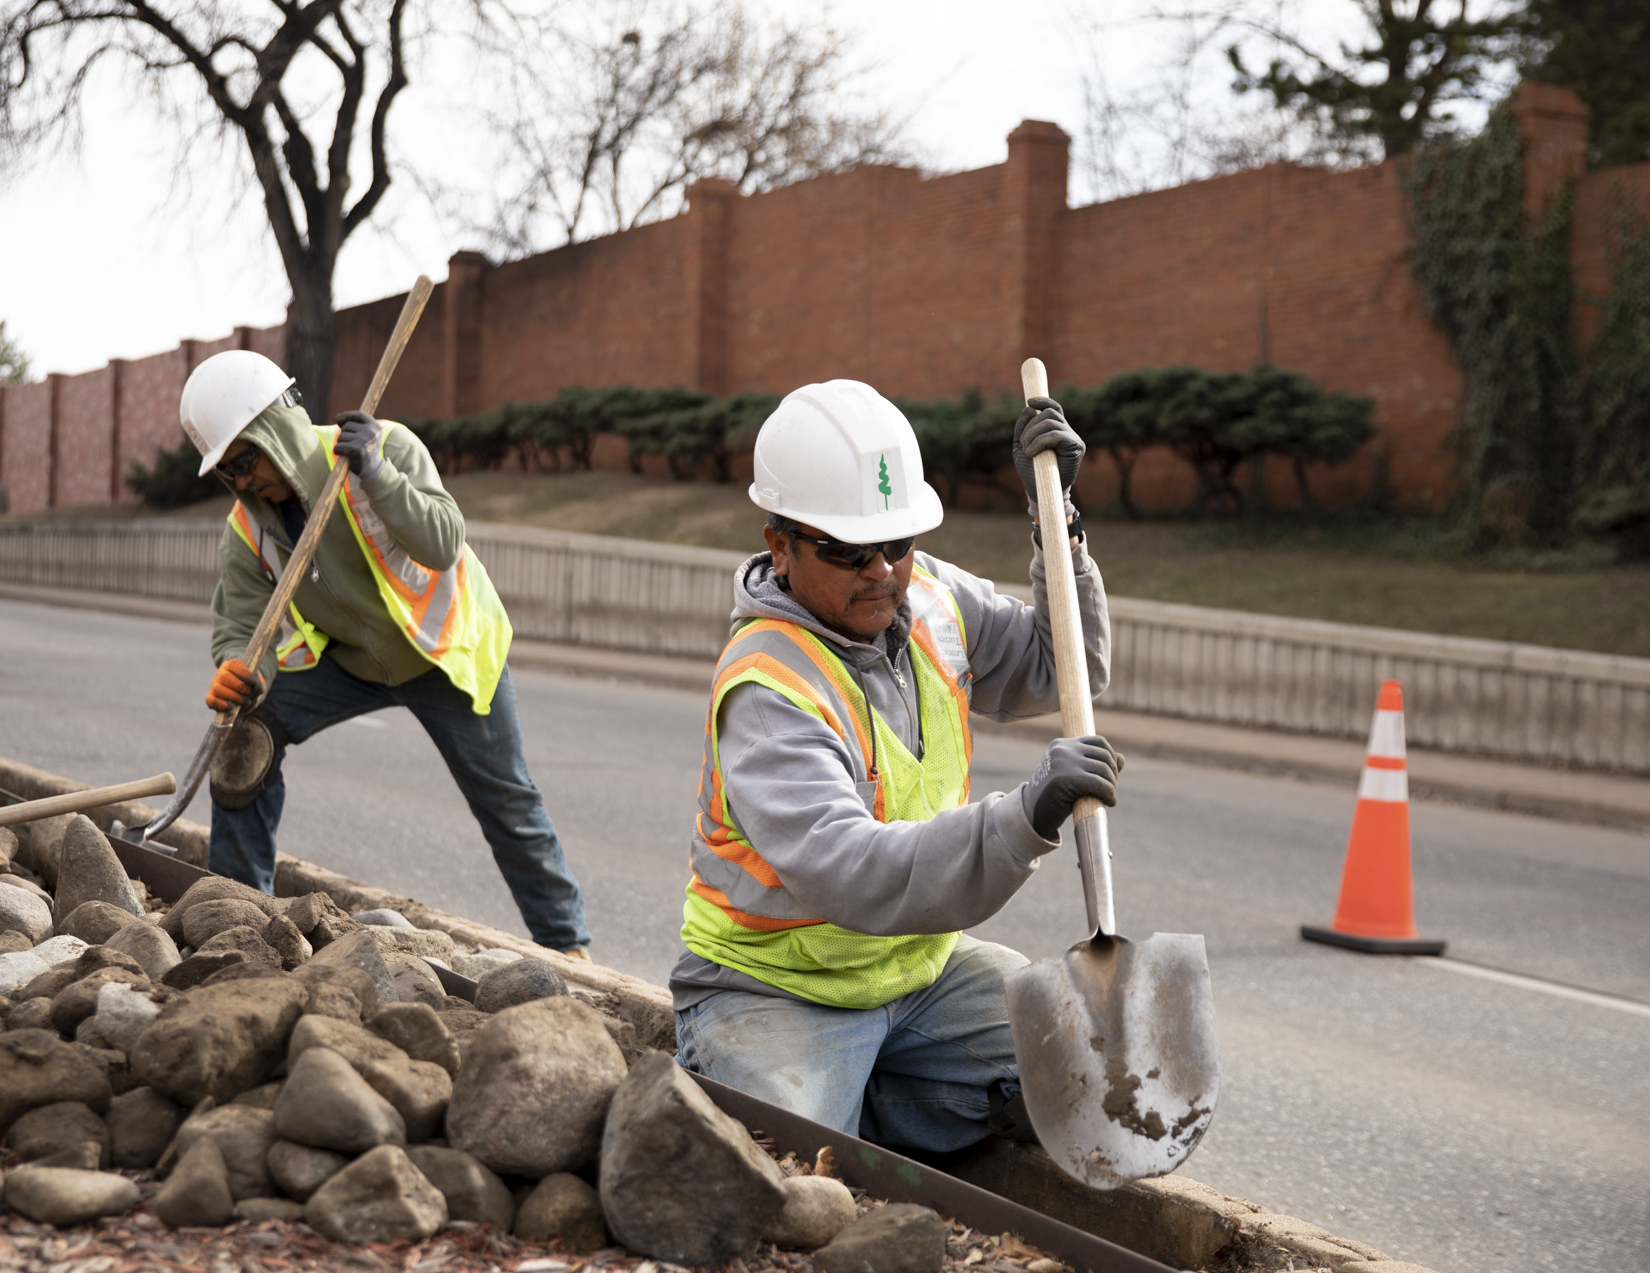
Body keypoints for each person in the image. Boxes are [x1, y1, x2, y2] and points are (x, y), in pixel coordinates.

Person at [672, 377, 1123, 1153]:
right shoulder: (768, 686)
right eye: (848, 551)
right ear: (779, 545)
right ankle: (848, 1101)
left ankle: (880, 1094)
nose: (882, 569)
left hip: (920, 976)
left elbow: (1064, 665)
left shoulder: (935, 601)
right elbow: (852, 870)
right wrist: (1028, 815)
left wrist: (1062, 528)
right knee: (787, 1172)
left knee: (1087, 1056)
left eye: (900, 543)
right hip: (777, 990)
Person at [178, 350, 591, 958]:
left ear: (277, 430)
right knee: (246, 736)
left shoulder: (384, 450)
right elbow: (243, 625)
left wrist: (377, 474)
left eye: (247, 459)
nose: (242, 481)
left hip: (444, 651)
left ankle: (567, 946)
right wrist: (239, 672)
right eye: (228, 471)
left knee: (507, 801)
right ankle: (237, 917)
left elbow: (443, 541)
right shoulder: (248, 528)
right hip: (352, 664)